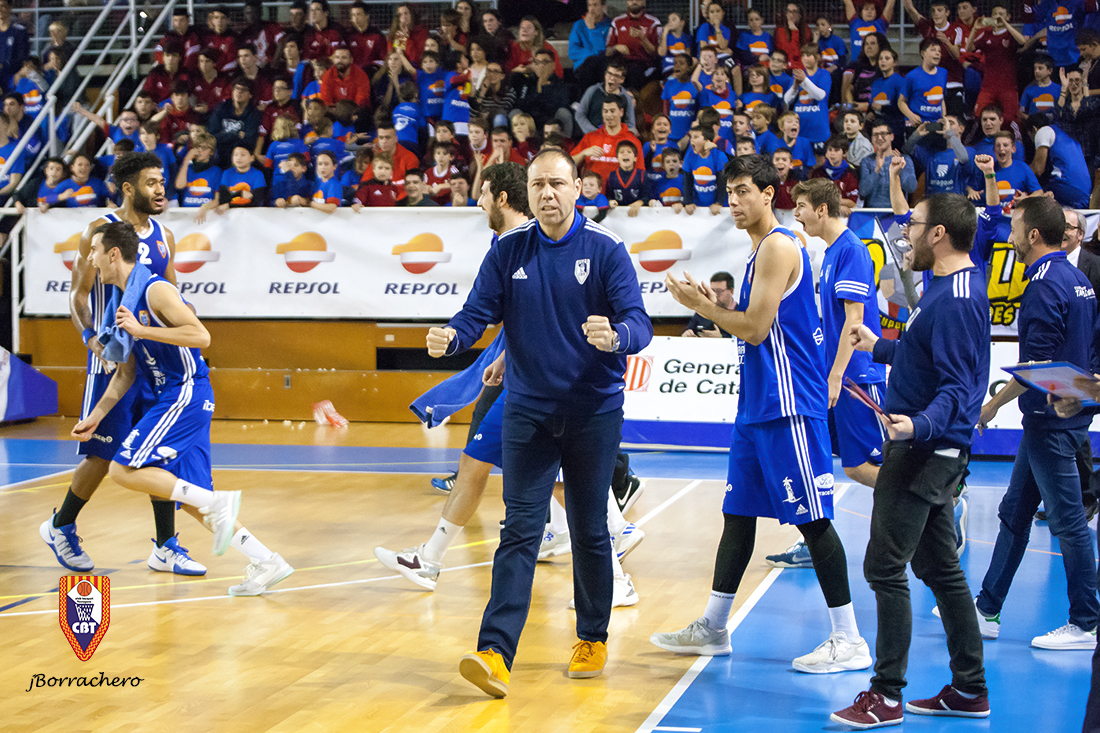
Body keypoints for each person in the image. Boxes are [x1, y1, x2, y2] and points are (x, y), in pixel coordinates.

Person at [428, 149, 653, 697]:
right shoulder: (508, 249)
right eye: (538, 186)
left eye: (557, 183)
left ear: (577, 188)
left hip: (593, 412)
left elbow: (639, 322)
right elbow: (476, 313)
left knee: (589, 529)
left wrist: (617, 337)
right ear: (526, 194)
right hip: (527, 411)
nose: (548, 194)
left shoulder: (605, 248)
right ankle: (494, 652)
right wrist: (453, 338)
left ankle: (591, 637)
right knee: (519, 530)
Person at [654, 154, 871, 676]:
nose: (733, 201)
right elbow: (753, 325)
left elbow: (754, 328)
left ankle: (849, 639)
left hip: (789, 403)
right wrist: (714, 307)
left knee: (812, 520)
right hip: (758, 403)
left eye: (744, 191)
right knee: (738, 513)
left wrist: (703, 308)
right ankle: (713, 626)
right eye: (729, 192)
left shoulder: (777, 245)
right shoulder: (757, 252)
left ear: (769, 194)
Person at [832, 191, 991, 728]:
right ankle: (969, 689)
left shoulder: (958, 298)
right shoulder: (944, 289)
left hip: (925, 450)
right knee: (941, 569)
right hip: (930, 446)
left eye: (913, 224)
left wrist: (917, 425)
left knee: (884, 566)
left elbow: (958, 387)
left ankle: (885, 695)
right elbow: (925, 357)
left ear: (939, 233)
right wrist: (877, 346)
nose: (906, 234)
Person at [72, 220, 293, 597]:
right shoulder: (122, 300)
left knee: (122, 469)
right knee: (193, 501)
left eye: (95, 251)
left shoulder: (155, 290)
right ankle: (267, 560)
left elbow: (201, 335)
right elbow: (125, 373)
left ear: (113, 254)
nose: (90, 258)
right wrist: (95, 417)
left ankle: (218, 502)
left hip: (185, 392)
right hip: (177, 397)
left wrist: (143, 331)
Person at [41, 153, 202, 577]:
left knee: (158, 451)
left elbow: (169, 295)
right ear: (128, 188)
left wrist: (185, 326)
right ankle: (60, 525)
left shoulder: (165, 235)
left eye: (162, 182)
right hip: (112, 360)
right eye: (152, 183)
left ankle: (165, 546)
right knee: (102, 452)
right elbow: (77, 295)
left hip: (153, 361)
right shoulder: (100, 230)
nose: (161, 190)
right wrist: (91, 338)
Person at [974, 197, 1098, 650]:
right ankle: (986, 607)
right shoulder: (1078, 279)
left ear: (1032, 234)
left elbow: (1035, 366)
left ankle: (1086, 622)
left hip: (1051, 422)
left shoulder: (1044, 285)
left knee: (1069, 523)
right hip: (1058, 419)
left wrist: (992, 405)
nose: (1009, 236)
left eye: (1014, 228)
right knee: (1014, 513)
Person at [772, 179, 888, 570]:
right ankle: (815, 543)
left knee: (862, 465)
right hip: (834, 376)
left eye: (801, 207)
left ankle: (937, 505)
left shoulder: (852, 250)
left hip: (856, 377)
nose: (796, 215)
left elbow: (854, 322)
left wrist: (836, 376)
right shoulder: (831, 251)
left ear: (822, 210)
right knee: (821, 463)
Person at [572, 95, 643, 184]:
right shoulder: (590, 137)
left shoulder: (632, 141)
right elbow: (568, 164)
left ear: (621, 112)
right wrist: (583, 153)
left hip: (618, 191)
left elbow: (640, 175)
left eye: (612, 111)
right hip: (591, 192)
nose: (608, 115)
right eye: (605, 111)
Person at [859, 119, 915, 208]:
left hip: (898, 212)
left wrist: (900, 170)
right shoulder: (866, 161)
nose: (879, 138)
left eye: (883, 134)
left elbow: (911, 188)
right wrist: (877, 170)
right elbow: (863, 191)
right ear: (872, 139)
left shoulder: (905, 159)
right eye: (875, 135)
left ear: (892, 137)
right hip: (872, 212)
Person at [681, 272, 734, 337]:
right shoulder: (702, 312)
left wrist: (721, 338)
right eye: (713, 290)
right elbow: (690, 330)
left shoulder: (741, 312)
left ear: (731, 291)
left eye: (719, 291)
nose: (714, 294)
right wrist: (686, 335)